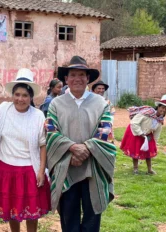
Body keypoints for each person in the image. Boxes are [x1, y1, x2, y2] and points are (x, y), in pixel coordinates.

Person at [46, 56, 116, 232]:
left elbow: (105, 130)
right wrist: (71, 149)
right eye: (73, 74)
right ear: (66, 79)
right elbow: (50, 131)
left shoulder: (101, 103)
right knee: (68, 215)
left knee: (92, 216)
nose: (77, 78)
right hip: (66, 166)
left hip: (93, 166)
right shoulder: (56, 104)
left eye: (82, 75)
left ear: (88, 79)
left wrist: (86, 149)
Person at [0, 68, 50, 232]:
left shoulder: (37, 115)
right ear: (12, 95)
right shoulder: (3, 109)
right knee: (11, 210)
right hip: (6, 168)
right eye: (17, 94)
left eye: (25, 95)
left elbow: (42, 144)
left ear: (31, 97)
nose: (20, 99)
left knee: (32, 211)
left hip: (29, 169)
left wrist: (41, 169)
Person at [120, 94, 166, 175]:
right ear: (158, 107)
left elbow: (157, 131)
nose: (164, 110)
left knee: (149, 151)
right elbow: (134, 122)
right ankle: (135, 169)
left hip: (147, 134)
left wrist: (154, 141)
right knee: (136, 149)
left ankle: (149, 169)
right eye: (162, 107)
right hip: (136, 131)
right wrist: (140, 133)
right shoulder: (147, 113)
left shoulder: (160, 120)